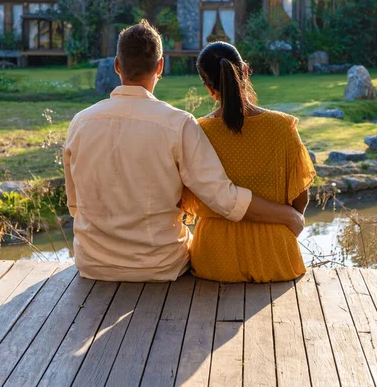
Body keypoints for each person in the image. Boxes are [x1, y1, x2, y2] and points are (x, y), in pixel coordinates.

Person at [63, 20, 305, 282]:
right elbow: (223, 198)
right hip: (159, 265)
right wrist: (288, 216)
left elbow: (75, 205)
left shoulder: (80, 123)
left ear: (117, 65)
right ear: (160, 66)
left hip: (92, 264)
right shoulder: (177, 124)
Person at [182, 41, 315, 283]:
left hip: (214, 259)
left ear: (209, 88)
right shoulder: (282, 127)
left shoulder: (198, 131)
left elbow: (189, 200)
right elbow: (300, 197)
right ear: (244, 71)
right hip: (275, 257)